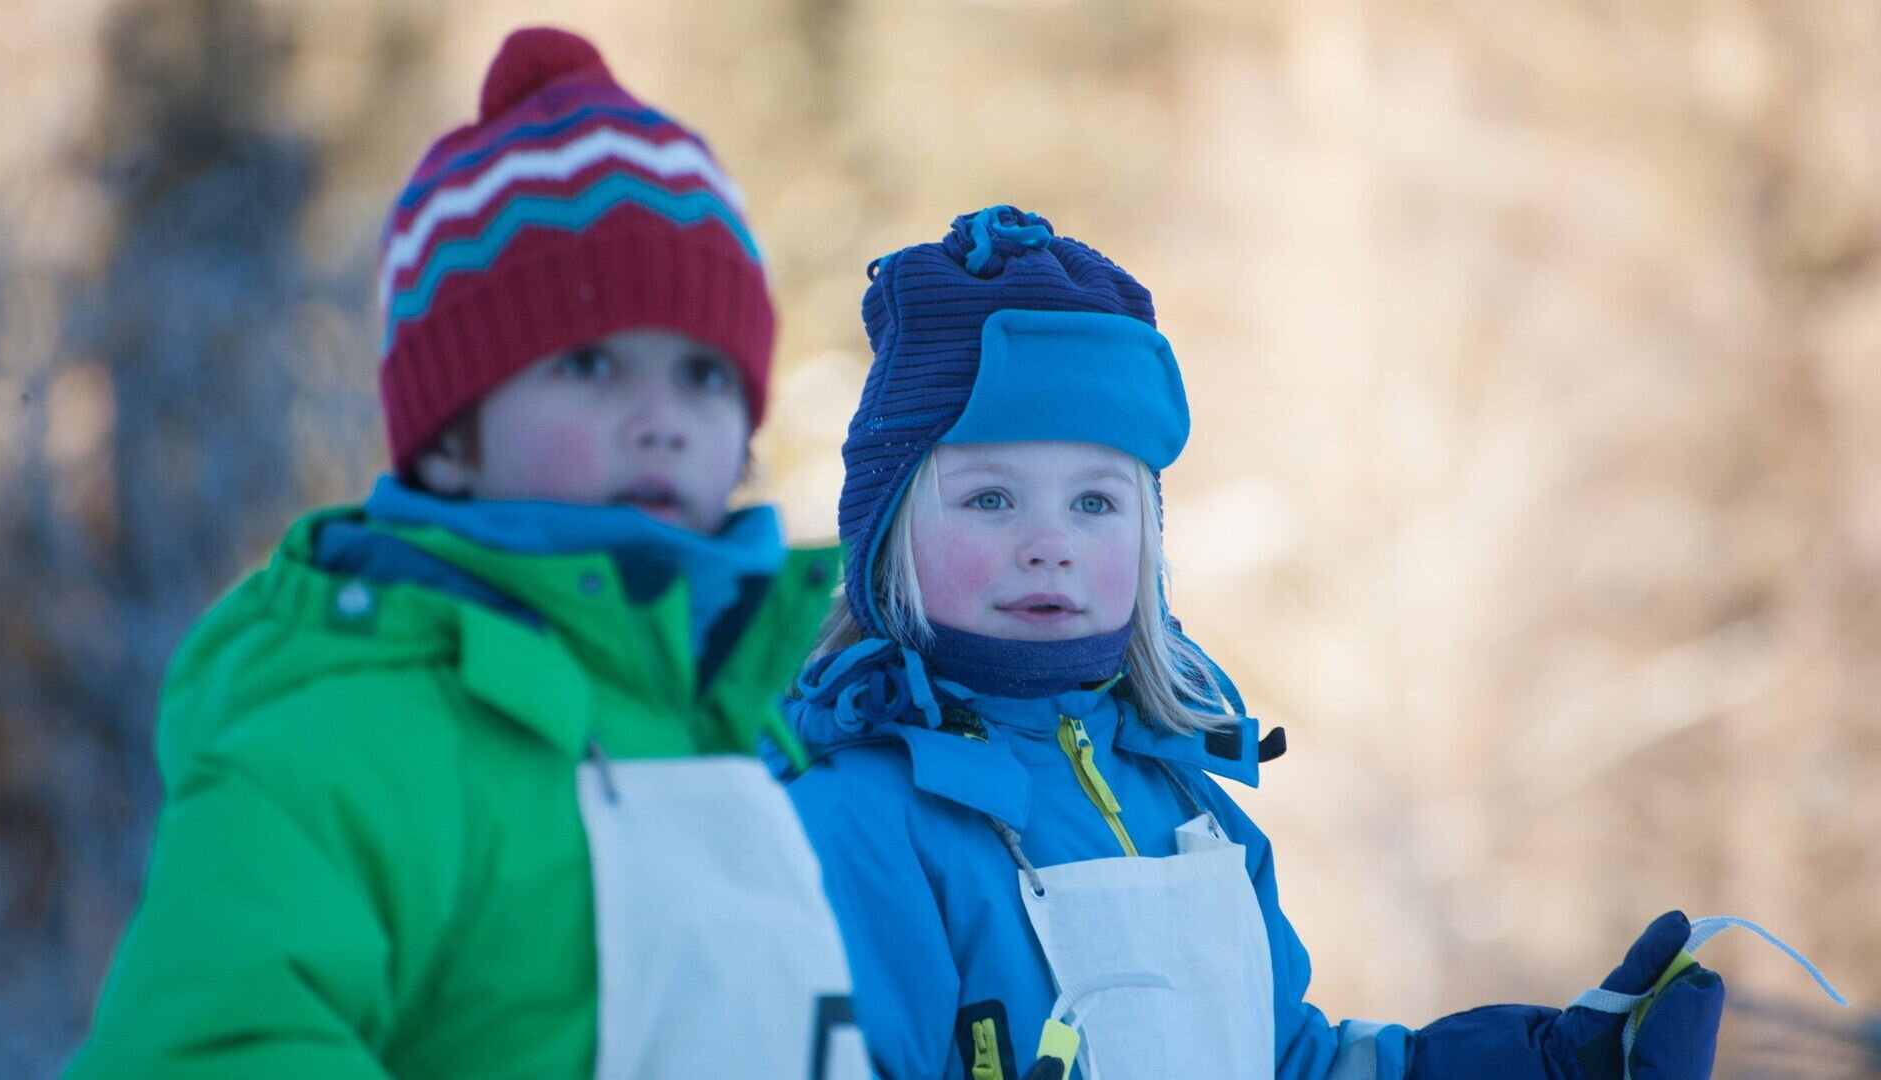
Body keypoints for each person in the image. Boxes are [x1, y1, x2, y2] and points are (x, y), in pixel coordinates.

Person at [783, 206, 1837, 1079]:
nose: (1049, 544)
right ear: (885, 544)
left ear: (1150, 542)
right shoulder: (855, 822)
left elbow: (1295, 1063)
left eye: (1097, 502)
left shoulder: (1193, 811)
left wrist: (1546, 1067)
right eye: (992, 496)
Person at [71, 27, 868, 1079]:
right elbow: (208, 1047)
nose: (661, 417)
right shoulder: (348, 731)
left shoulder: (743, 731)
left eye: (704, 376)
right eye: (590, 364)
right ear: (450, 437)